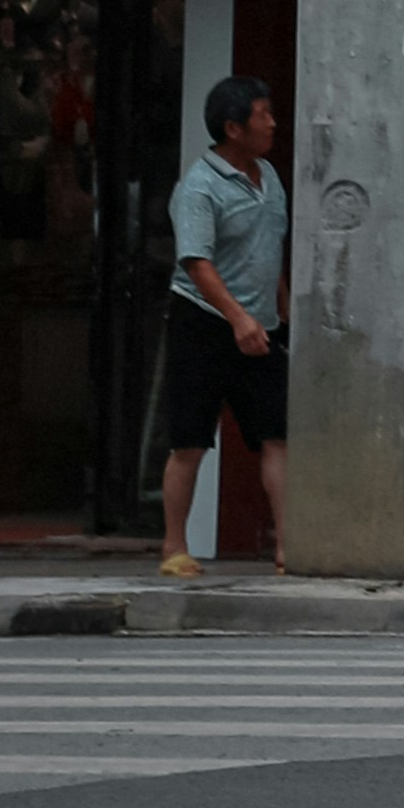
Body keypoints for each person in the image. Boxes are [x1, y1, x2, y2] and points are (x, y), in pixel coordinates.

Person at [159, 70, 288, 582]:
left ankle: (288, 544)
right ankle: (174, 546)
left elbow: (268, 250)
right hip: (205, 321)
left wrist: (279, 313)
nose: (272, 123)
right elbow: (197, 262)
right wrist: (237, 319)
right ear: (233, 128)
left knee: (277, 435)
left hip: (261, 326)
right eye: (263, 115)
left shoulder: (268, 176)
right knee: (190, 440)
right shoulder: (199, 187)